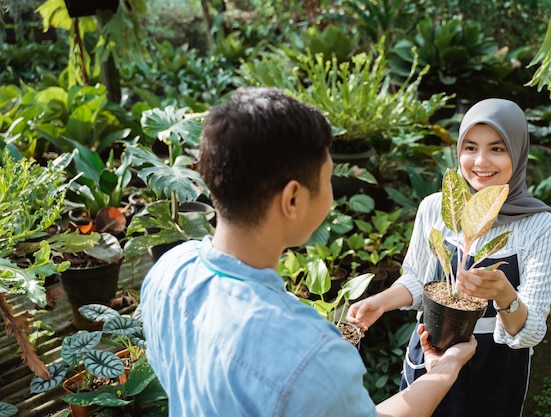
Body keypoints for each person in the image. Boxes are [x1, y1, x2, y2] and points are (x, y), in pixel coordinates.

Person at [140, 87, 477, 417]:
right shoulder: (311, 353)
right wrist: (444, 370)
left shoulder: (168, 273)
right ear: (293, 200)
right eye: (329, 178)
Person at [347, 98, 551, 417]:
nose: (481, 161)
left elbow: (530, 331)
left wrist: (504, 294)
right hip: (431, 352)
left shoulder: (541, 226)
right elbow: (418, 281)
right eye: (471, 147)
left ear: (518, 151)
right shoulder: (437, 208)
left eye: (497, 149)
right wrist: (381, 302)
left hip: (496, 365)